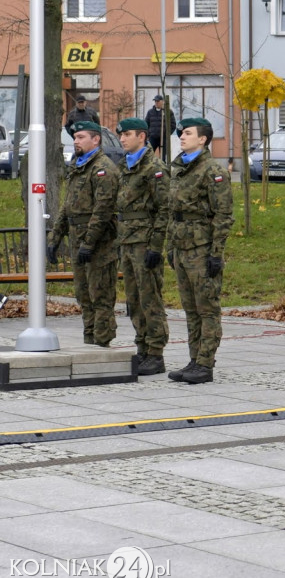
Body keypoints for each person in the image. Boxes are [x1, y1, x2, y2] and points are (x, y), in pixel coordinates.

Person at [166, 118, 234, 384]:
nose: (182, 137)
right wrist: (170, 246)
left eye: (187, 133)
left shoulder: (213, 171)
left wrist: (216, 253)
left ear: (203, 139)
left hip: (202, 249)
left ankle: (205, 363)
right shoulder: (180, 168)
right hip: (182, 247)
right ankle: (194, 360)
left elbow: (223, 215)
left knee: (207, 308)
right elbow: (173, 212)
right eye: (181, 133)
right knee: (191, 309)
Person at [47, 121, 119, 346]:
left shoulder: (103, 168)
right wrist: (54, 238)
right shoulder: (78, 166)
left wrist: (89, 243)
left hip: (99, 243)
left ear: (95, 139)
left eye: (80, 137)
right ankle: (90, 341)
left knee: (100, 295)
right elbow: (67, 206)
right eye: (75, 138)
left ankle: (102, 343)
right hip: (78, 240)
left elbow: (103, 210)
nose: (76, 142)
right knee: (84, 295)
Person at [115, 117, 170, 376]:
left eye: (127, 134)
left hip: (145, 242)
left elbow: (164, 208)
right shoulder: (124, 165)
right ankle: (143, 348)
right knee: (134, 300)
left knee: (150, 299)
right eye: (121, 135)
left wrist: (155, 246)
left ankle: (156, 353)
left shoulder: (154, 167)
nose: (122, 139)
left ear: (142, 137)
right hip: (127, 241)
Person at [146, 95, 176, 159]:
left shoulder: (168, 112)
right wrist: (148, 135)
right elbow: (146, 124)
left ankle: (162, 165)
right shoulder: (150, 112)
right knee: (149, 155)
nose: (156, 103)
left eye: (158, 101)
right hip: (152, 138)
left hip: (163, 138)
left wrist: (167, 134)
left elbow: (173, 125)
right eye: (155, 101)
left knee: (163, 157)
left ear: (162, 101)